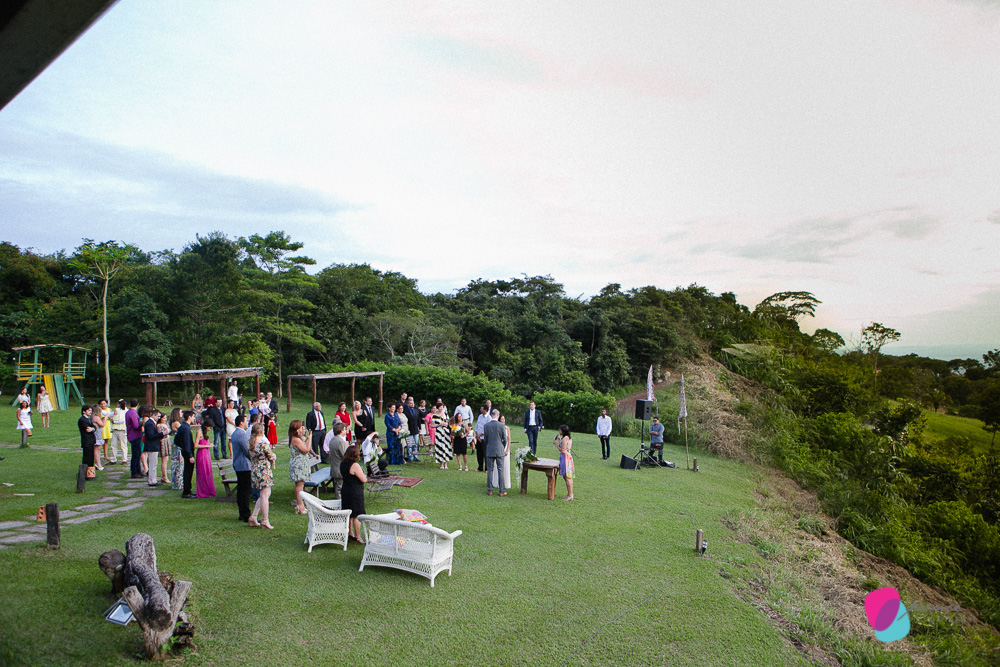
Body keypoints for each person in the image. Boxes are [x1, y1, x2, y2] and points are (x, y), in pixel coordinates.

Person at [248, 423, 275, 529]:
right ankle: (265, 520)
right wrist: (273, 456)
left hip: (255, 470)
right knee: (264, 495)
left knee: (265, 493)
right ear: (261, 432)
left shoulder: (250, 444)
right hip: (263, 471)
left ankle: (254, 516)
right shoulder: (263, 444)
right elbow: (271, 455)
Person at [340, 444, 367, 544]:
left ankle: (350, 532)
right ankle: (358, 536)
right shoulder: (354, 465)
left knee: (349, 513)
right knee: (356, 514)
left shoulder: (342, 464)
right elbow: (363, 479)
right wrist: (365, 476)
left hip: (345, 489)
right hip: (355, 491)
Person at [288, 419, 313, 514]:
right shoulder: (296, 439)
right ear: (296, 429)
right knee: (299, 485)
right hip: (299, 464)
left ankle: (300, 505)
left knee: (300, 484)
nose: (303, 429)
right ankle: (300, 506)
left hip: (300, 463)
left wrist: (307, 438)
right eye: (301, 427)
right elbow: (306, 450)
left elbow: (303, 445)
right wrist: (310, 438)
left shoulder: (296, 438)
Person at [230, 414, 252, 521]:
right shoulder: (241, 434)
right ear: (241, 422)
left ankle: (242, 513)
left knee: (242, 489)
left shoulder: (236, 433)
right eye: (246, 421)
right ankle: (245, 514)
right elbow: (247, 450)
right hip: (243, 465)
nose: (247, 422)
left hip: (239, 464)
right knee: (245, 490)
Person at [483, 409, 509, 496]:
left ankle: (489, 490)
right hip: (499, 449)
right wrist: (502, 447)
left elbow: (485, 439)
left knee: (490, 470)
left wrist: (489, 445)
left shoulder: (486, 426)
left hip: (490, 449)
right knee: (500, 470)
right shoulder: (501, 425)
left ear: (491, 415)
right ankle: (501, 491)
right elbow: (505, 439)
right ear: (498, 415)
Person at [324, 422, 349, 500]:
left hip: (334, 467)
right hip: (340, 468)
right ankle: (339, 502)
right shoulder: (340, 442)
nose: (346, 431)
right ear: (341, 431)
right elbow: (345, 455)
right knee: (340, 487)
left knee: (338, 485)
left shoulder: (332, 440)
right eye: (344, 429)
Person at [175, 410, 196, 498]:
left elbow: (176, 440)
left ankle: (188, 490)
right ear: (189, 417)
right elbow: (187, 443)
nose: (194, 418)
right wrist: (190, 455)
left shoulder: (183, 426)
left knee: (188, 471)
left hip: (185, 450)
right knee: (188, 472)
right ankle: (186, 491)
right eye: (193, 417)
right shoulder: (186, 428)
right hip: (187, 452)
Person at [142, 407, 164, 486]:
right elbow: (151, 436)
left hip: (153, 445)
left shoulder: (151, 423)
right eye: (158, 416)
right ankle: (152, 481)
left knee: (153, 464)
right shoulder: (150, 424)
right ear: (153, 415)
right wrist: (162, 433)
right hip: (152, 446)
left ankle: (153, 479)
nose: (159, 418)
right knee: (152, 464)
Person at [194, 423, 216, 497]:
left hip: (206, 454)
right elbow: (196, 445)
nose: (210, 429)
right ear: (206, 426)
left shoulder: (204, 432)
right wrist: (207, 445)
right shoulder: (199, 432)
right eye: (209, 427)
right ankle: (203, 490)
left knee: (207, 471)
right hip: (201, 454)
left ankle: (208, 490)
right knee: (202, 472)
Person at [554, 425, 575, 501]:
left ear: (563, 431)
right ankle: (570, 494)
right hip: (566, 458)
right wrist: (560, 441)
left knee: (567, 477)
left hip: (565, 459)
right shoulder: (566, 438)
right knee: (567, 477)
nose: (559, 431)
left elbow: (562, 450)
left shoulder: (565, 438)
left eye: (560, 430)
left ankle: (570, 495)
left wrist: (556, 444)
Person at [126, 399, 143, 479]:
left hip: (131, 435)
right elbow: (136, 426)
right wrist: (141, 423)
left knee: (137, 454)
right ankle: (134, 471)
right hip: (135, 435)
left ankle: (138, 470)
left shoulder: (128, 412)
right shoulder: (134, 413)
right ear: (137, 404)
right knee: (136, 454)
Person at [432, 404, 452, 470]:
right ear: (438, 408)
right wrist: (438, 425)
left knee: (446, 446)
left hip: (446, 432)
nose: (441, 408)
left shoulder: (445, 414)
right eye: (440, 407)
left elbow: (448, 422)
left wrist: (446, 424)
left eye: (442, 407)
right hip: (439, 432)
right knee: (440, 447)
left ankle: (445, 463)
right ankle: (441, 463)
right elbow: (432, 426)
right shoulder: (434, 416)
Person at [109, 399, 128, 465]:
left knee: (123, 445)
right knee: (113, 445)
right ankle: (113, 459)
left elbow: (123, 420)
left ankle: (124, 459)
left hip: (122, 429)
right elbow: (109, 415)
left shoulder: (126, 411)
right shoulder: (117, 410)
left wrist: (114, 421)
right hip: (115, 429)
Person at [474, 404, 491, 472]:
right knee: (479, 453)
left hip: (484, 438)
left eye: (482, 409)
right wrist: (477, 435)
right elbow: (477, 426)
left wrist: (480, 435)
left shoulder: (489, 418)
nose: (480, 410)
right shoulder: (480, 416)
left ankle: (487, 468)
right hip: (478, 437)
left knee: (485, 453)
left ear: (485, 410)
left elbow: (487, 429)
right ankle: (480, 467)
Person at [91, 399, 108, 471]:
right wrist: (105, 419)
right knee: (97, 449)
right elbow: (102, 424)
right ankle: (98, 463)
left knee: (98, 449)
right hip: (97, 435)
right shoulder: (96, 417)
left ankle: (97, 463)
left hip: (97, 434)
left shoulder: (93, 417)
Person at [169, 409, 183, 490]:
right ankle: (178, 482)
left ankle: (176, 482)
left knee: (176, 463)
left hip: (175, 443)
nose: (181, 413)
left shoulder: (174, 422)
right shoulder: (176, 423)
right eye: (180, 412)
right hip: (177, 444)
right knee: (178, 463)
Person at [403, 397, 420, 461]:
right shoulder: (405, 412)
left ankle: (416, 456)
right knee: (409, 445)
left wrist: (419, 428)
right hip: (409, 430)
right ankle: (410, 457)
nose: (412, 404)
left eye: (413, 403)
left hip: (415, 429)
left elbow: (418, 420)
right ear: (407, 404)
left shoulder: (416, 411)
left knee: (415, 444)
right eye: (410, 403)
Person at [156, 412, 170, 484]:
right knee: (164, 460)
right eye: (163, 418)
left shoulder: (166, 424)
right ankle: (165, 477)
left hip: (167, 441)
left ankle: (163, 476)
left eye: (165, 418)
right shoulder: (159, 426)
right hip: (163, 442)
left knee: (166, 459)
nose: (165, 419)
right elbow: (160, 434)